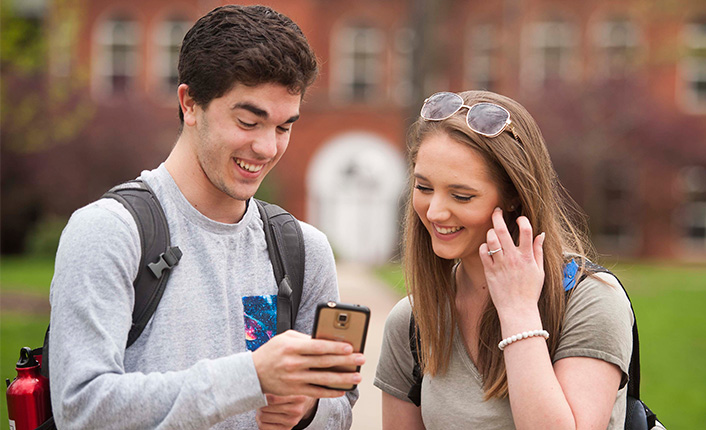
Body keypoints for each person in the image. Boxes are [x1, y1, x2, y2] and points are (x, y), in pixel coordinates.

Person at [48, 5, 363, 429]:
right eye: (249, 121)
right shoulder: (108, 232)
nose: (268, 148)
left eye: (284, 127)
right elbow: (80, 407)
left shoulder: (303, 250)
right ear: (190, 103)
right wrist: (249, 377)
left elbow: (338, 406)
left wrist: (307, 409)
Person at [374, 91, 633, 429]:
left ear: (513, 196)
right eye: (424, 188)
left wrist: (519, 312)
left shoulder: (591, 301)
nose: (435, 212)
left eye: (461, 195)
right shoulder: (412, 322)